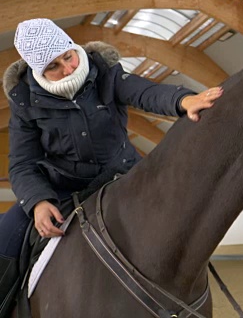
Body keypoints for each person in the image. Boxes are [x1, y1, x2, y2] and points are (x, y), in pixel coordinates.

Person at [0, 18, 223, 312]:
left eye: (68, 56)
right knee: (6, 234)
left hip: (122, 177)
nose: (68, 68)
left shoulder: (107, 74)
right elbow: (22, 163)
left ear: (73, 48)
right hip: (62, 189)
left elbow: (146, 92)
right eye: (53, 66)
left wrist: (184, 100)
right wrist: (38, 201)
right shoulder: (25, 103)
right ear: (37, 72)